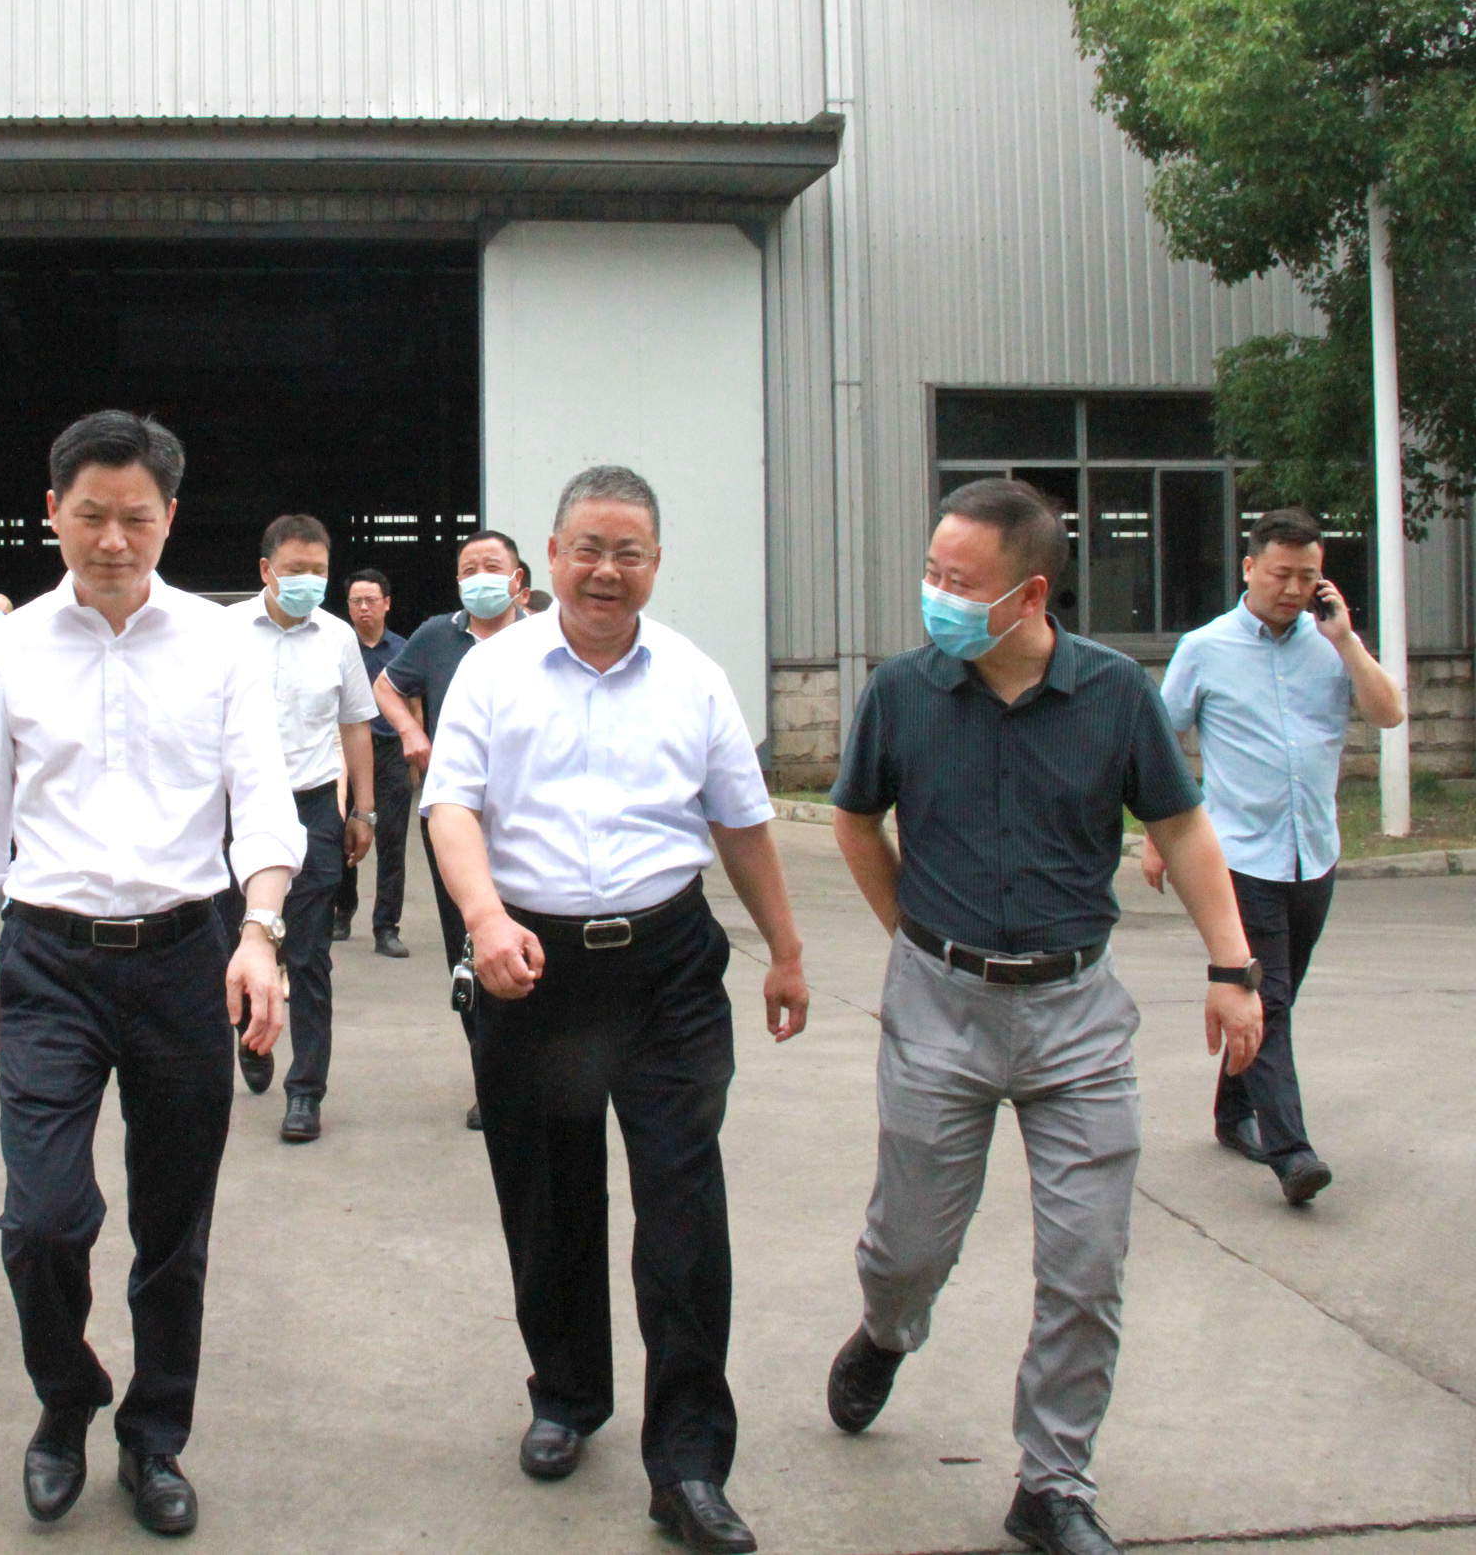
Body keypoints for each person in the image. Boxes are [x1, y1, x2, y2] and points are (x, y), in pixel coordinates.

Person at [824, 477, 1265, 1555]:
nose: (936, 594)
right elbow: (855, 822)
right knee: (910, 1245)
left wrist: (1233, 965)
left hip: (1078, 1018)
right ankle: (887, 1329)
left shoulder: (1113, 694)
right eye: (931, 572)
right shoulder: (902, 692)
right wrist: (914, 937)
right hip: (939, 1008)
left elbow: (1183, 829)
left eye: (959, 580)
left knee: (1086, 1265)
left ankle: (1053, 1481)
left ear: (1028, 595)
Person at [425, 466, 809, 1555]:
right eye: (587, 549)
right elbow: (451, 807)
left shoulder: (693, 678)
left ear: (655, 564)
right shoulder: (492, 673)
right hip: (531, 969)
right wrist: (483, 919)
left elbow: (741, 823)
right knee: (548, 1200)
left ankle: (687, 1463)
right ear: (550, 558)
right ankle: (566, 1394)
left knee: (682, 1209)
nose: (606, 570)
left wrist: (785, 951)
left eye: (628, 552)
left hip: (667, 973)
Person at [0, 409, 300, 1538]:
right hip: (49, 961)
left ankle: (155, 1438)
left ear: (170, 520)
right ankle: (66, 1400)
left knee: (172, 1227)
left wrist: (259, 932)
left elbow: (264, 802)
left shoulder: (221, 645)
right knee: (43, 1220)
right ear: (52, 513)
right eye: (89, 516)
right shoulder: (5, 650)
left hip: (186, 956)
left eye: (135, 519)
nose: (111, 540)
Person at [1154, 507, 1405, 1207]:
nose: (1293, 589)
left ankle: (1232, 1112)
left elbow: (1389, 713)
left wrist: (1347, 641)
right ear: (1249, 568)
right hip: (1239, 857)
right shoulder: (1205, 648)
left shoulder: (1331, 647)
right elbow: (1160, 741)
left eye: (1308, 576)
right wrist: (1161, 837)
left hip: (1313, 854)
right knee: (1269, 999)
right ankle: (1291, 1152)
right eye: (1280, 574)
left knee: (1272, 998)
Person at [212, 514, 375, 1142]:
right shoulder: (224, 632)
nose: (309, 580)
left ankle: (305, 1090)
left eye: (319, 571)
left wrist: (362, 810)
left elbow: (355, 723)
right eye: (295, 570)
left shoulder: (337, 638)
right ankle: (249, 1036)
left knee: (308, 956)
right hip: (235, 811)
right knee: (236, 938)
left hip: (311, 809)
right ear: (266, 570)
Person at [376, 529, 530, 1130]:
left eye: (492, 565)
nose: (479, 577)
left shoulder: (546, 638)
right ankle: (490, 1076)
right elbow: (387, 687)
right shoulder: (438, 636)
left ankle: (536, 1070)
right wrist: (412, 733)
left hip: (526, 823)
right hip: (453, 820)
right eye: (469, 569)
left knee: (533, 938)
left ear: (518, 579)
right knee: (469, 947)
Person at [332, 567, 414, 957]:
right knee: (339, 835)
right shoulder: (337, 646)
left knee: (392, 842)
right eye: (356, 601)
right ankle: (342, 909)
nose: (363, 608)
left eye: (370, 600)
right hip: (344, 754)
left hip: (390, 752)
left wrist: (416, 756)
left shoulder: (403, 650)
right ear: (348, 607)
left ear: (386, 604)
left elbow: (414, 703)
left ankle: (386, 927)